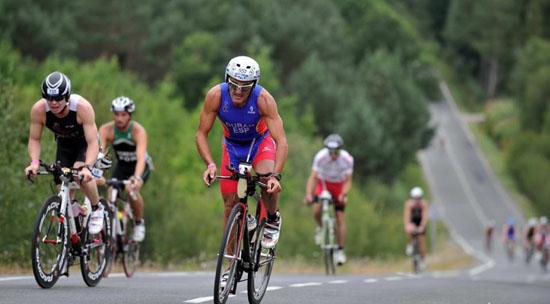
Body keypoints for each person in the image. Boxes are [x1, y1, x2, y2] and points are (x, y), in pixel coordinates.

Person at [196, 56, 288, 251]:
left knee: (265, 179)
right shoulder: (216, 96)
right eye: (234, 85)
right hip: (232, 147)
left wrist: (276, 176)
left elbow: (281, 141)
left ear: (253, 85)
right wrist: (210, 165)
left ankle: (271, 219)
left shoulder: (263, 100)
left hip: (259, 142)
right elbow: (201, 134)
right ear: (227, 79)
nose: (238, 91)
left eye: (245, 87)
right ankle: (230, 266)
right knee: (230, 207)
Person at [24, 71, 104, 234]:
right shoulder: (39, 110)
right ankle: (75, 226)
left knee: (79, 176)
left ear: (67, 97)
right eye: (49, 98)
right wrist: (34, 163)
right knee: (61, 183)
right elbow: (34, 140)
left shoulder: (82, 108)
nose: (53, 103)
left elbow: (92, 142)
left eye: (58, 98)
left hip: (85, 146)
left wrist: (87, 167)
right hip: (64, 146)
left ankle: (96, 208)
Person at [98, 96, 152, 242]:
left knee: (130, 190)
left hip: (140, 166)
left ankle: (139, 222)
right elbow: (100, 155)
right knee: (111, 190)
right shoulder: (106, 129)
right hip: (122, 166)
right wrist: (98, 172)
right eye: (116, 114)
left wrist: (136, 177)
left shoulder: (138, 131)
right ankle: (115, 222)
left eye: (123, 115)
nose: (119, 118)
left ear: (130, 115)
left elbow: (141, 158)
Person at [303, 134, 353, 265]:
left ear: (340, 150)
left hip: (339, 185)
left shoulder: (347, 159)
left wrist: (343, 193)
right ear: (327, 150)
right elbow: (313, 177)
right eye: (331, 152)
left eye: (336, 152)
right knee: (316, 211)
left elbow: (348, 181)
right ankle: (321, 227)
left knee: (339, 216)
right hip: (324, 184)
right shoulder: (320, 157)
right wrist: (309, 195)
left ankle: (340, 250)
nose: (334, 155)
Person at [403, 187, 429, 270]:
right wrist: (407, 226)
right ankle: (410, 245)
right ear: (412, 198)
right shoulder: (409, 204)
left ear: (421, 198)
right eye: (415, 198)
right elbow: (407, 216)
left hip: (420, 222)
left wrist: (422, 226)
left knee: (421, 240)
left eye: (418, 198)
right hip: (413, 221)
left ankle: (422, 259)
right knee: (411, 230)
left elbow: (425, 217)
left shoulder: (424, 204)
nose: (417, 200)